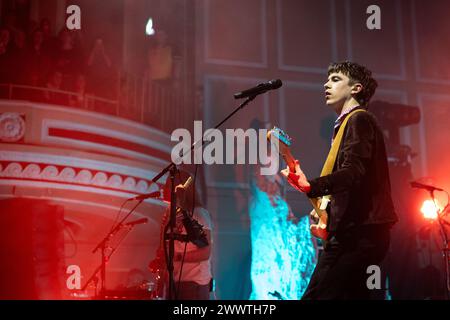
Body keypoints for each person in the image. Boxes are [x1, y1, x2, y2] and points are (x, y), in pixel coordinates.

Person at [281, 61, 398, 299]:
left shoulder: (359, 120)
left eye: (335, 79)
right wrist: (328, 217)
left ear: (355, 88)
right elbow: (354, 185)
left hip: (360, 236)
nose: (326, 84)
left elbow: (353, 173)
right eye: (327, 79)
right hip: (358, 233)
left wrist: (311, 185)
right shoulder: (347, 124)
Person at [148, 170, 213, 300]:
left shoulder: (198, 214)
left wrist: (175, 256)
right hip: (173, 282)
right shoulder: (170, 213)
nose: (164, 189)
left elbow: (205, 252)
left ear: (180, 189)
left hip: (193, 283)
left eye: (168, 185)